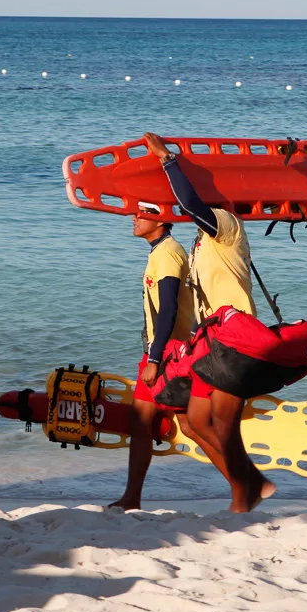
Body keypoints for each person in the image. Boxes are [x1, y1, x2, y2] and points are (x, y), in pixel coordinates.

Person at [143, 132, 276, 513]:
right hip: (212, 341)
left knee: (221, 420)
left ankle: (242, 499)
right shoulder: (204, 239)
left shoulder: (226, 224)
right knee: (196, 422)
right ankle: (254, 483)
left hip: (237, 337)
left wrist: (167, 160)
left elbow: (190, 205)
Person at [109, 201, 194, 510]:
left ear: (160, 221)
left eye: (142, 213)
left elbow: (169, 308)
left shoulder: (169, 252)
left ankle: (245, 482)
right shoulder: (161, 250)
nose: (134, 218)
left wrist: (155, 359)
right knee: (181, 425)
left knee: (159, 423)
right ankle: (132, 498)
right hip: (166, 350)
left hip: (168, 353)